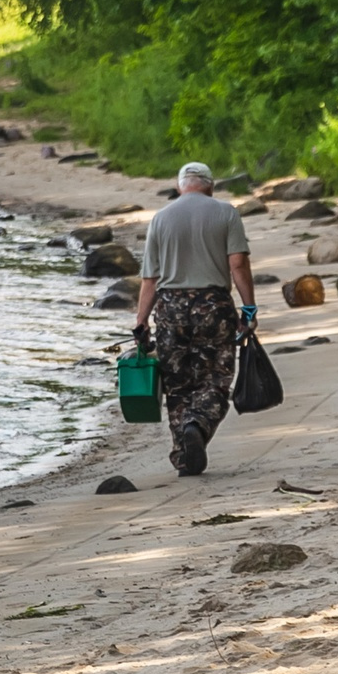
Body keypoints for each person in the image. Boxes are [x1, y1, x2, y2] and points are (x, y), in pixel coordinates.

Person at [131, 162, 256, 475]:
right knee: (215, 378)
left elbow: (150, 279)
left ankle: (184, 456)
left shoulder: (160, 219)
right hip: (213, 306)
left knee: (178, 385)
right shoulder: (226, 213)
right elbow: (238, 264)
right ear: (210, 186)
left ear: (179, 187)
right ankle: (197, 425)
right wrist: (249, 308)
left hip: (171, 309)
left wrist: (141, 321)